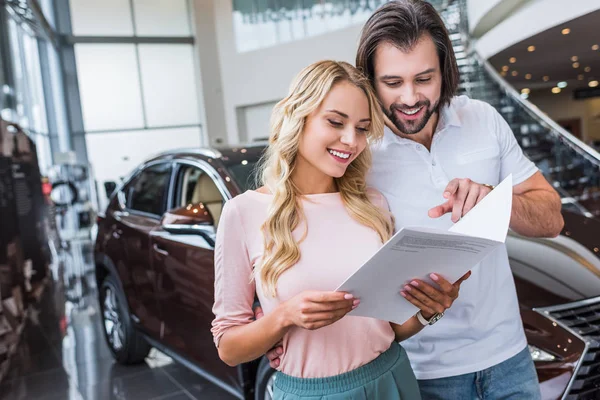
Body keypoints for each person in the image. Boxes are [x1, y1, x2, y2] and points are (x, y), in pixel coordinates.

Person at [264, 1, 564, 399]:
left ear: (445, 70)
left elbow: (552, 220)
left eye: (424, 78)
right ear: (369, 80)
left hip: (509, 358)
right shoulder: (354, 151)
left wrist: (495, 201)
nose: (410, 98)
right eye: (392, 82)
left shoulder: (483, 119)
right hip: (417, 369)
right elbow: (297, 233)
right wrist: (274, 319)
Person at [211, 60, 470, 399]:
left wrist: (427, 312)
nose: (351, 141)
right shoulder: (243, 213)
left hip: (392, 379)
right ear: (297, 117)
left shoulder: (373, 204)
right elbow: (228, 348)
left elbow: (386, 329)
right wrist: (284, 317)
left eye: (362, 128)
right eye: (335, 122)